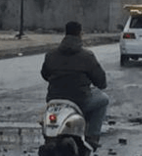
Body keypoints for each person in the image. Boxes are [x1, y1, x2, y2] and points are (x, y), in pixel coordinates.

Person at [41, 21, 109, 149]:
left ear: (65, 33)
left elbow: (45, 74)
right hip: (79, 100)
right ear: (80, 34)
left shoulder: (51, 55)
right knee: (103, 99)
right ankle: (92, 136)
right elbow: (100, 80)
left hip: (54, 100)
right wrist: (100, 84)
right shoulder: (87, 56)